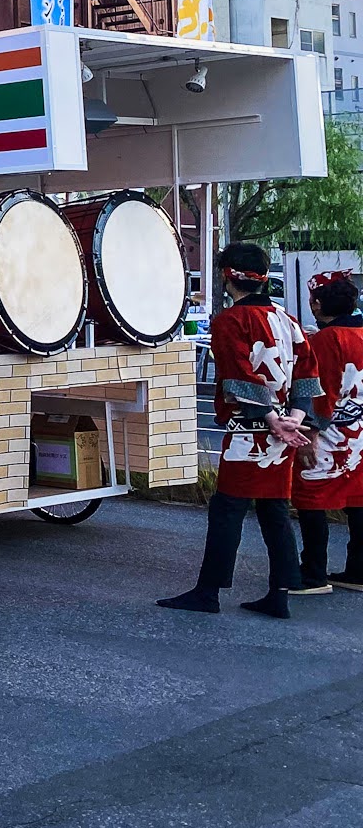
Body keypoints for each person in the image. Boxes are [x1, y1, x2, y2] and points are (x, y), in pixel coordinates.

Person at [159, 241, 318, 619]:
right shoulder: (287, 318)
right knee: (274, 511)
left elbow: (237, 376)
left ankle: (208, 591)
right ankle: (280, 593)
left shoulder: (230, 321)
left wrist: (269, 419)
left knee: (228, 510)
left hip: (252, 431)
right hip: (283, 431)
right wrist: (295, 416)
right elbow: (308, 372)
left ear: (228, 277)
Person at [294, 269, 363, 596]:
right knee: (359, 499)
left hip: (329, 430)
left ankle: (313, 574)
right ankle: (358, 570)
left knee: (311, 498)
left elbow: (319, 393)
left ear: (319, 304)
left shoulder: (324, 341)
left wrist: (309, 433)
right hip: (360, 431)